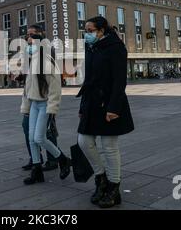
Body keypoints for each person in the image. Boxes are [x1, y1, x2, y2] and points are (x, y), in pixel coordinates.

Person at [77, 16, 134, 209]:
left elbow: (120, 80)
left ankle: (113, 187)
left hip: (110, 101)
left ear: (101, 30)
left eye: (90, 30)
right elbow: (89, 78)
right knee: (83, 141)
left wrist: (113, 108)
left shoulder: (116, 47)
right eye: (86, 30)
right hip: (91, 101)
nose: (87, 34)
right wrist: (82, 106)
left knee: (109, 146)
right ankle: (101, 178)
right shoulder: (91, 47)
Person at [20, 27, 71, 185]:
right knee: (32, 139)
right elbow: (29, 87)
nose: (28, 45)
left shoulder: (48, 62)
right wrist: (26, 106)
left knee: (39, 138)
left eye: (30, 43)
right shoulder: (33, 61)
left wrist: (52, 110)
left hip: (44, 105)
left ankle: (63, 159)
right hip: (34, 103)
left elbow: (55, 90)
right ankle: (37, 170)